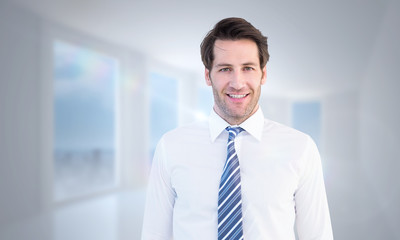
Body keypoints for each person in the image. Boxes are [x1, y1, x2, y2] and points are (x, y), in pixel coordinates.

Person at [141, 17, 333, 240]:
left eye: (248, 68)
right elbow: (154, 234)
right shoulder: (171, 146)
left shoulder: (300, 148)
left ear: (263, 74)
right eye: (225, 69)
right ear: (207, 75)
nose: (237, 82)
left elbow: (318, 235)